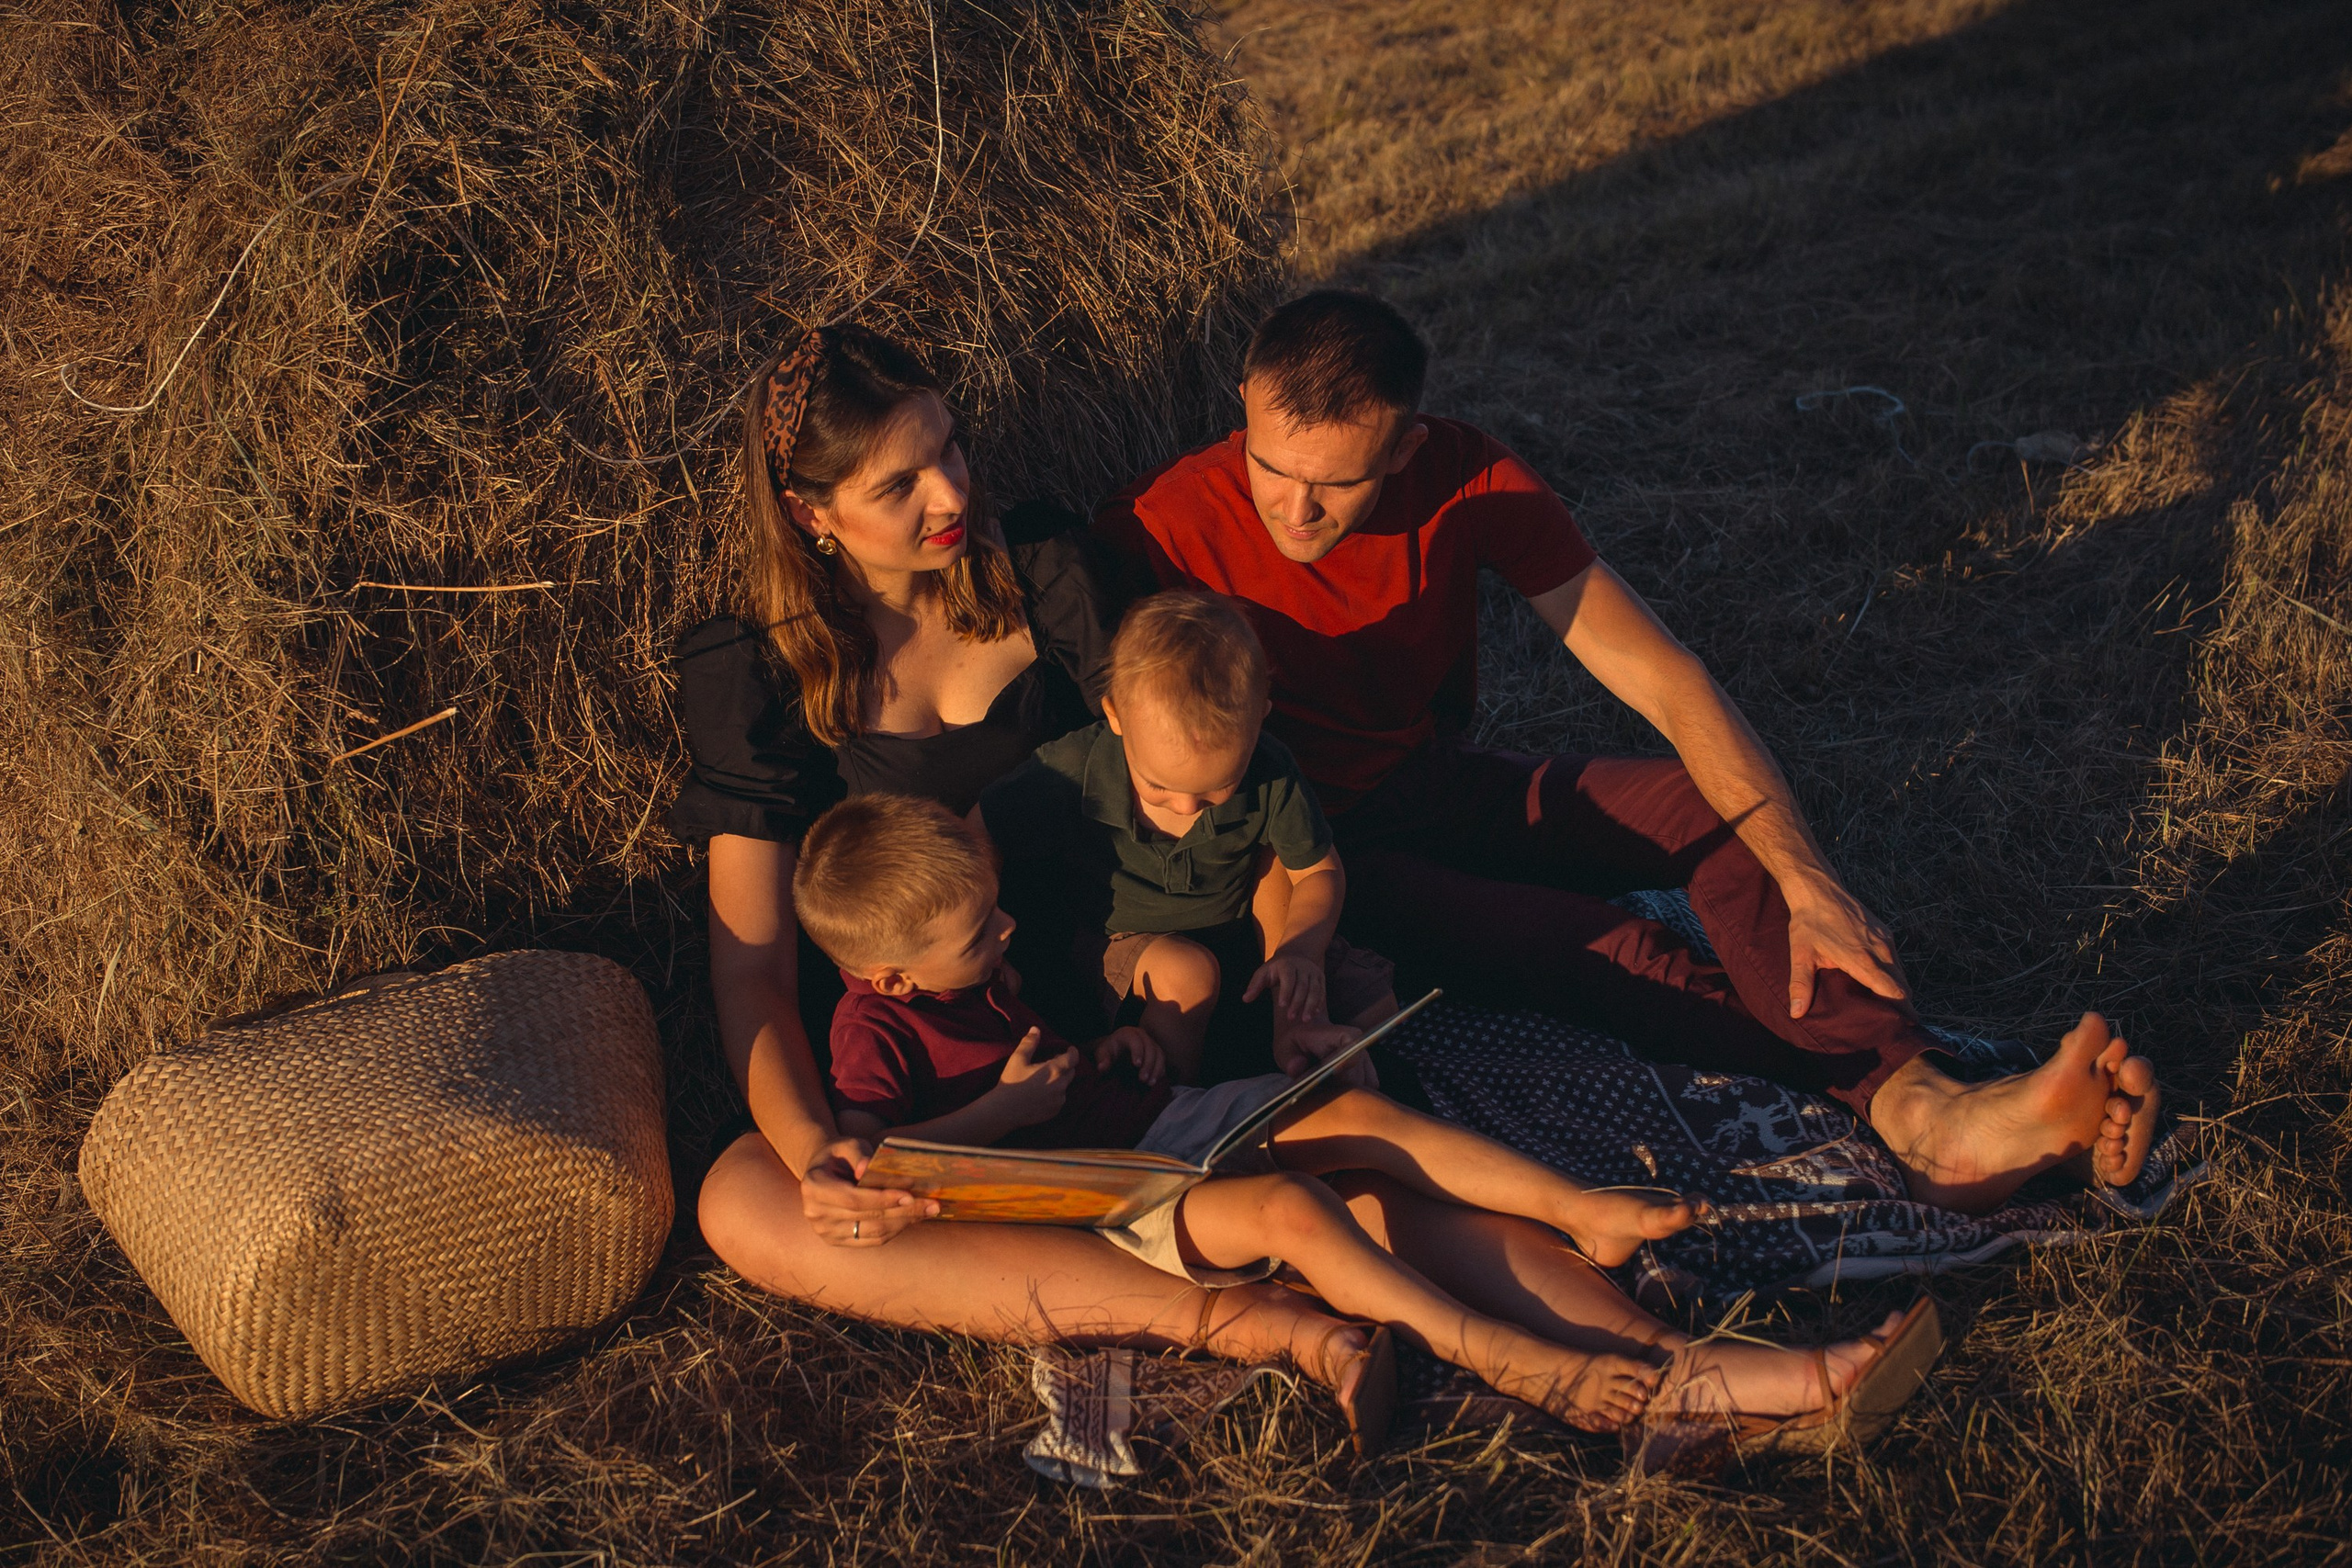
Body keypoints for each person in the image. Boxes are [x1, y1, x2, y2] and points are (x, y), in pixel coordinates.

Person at [1097, 289, 2161, 1213]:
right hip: (1326, 858)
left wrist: (1805, 876)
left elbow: (1664, 676)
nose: (1294, 507)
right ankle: (1925, 1113)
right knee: (1593, 945)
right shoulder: (1161, 525)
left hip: (1437, 784)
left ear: (1408, 447)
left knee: (1717, 812)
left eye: (1335, 484)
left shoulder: (1464, 477)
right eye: (1273, 467)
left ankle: (1925, 1103)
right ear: (1242, 403)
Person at [793, 791, 1930, 1451]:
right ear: (889, 978)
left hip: (1158, 1115)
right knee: (1293, 1207)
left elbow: (1038, 1066)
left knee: (1359, 1123)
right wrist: (1014, 1106)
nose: (1006, 935)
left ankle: (1584, 1213)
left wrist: (1106, 1052)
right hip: (1110, 1198)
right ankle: (1507, 1355)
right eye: (979, 933)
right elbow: (880, 1158)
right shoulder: (872, 1034)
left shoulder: (965, 973)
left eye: (995, 913)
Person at [679, 322, 1370, 1381]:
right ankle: (1232, 1316)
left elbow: (1211, 794)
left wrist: (1298, 960)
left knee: (1355, 1114)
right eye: (899, 484)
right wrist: (817, 1151)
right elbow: (754, 971)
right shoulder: (759, 673)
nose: (952, 495)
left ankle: (1224, 1237)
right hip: (938, 1067)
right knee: (743, 1193)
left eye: (949, 448)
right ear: (811, 516)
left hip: (1115, 1009)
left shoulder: (1043, 570)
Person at [978, 590, 1395, 1085]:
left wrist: (1300, 952)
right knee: (1189, 975)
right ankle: (1177, 1102)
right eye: (1158, 785)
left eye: (1217, 789)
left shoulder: (1270, 768)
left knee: (1374, 1005)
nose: (1185, 807)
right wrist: (982, 924)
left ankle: (1296, 1065)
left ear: (1260, 715)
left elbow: (1318, 870)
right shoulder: (1073, 769)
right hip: (1124, 943)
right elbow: (980, 830)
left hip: (1238, 934)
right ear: (1114, 715)